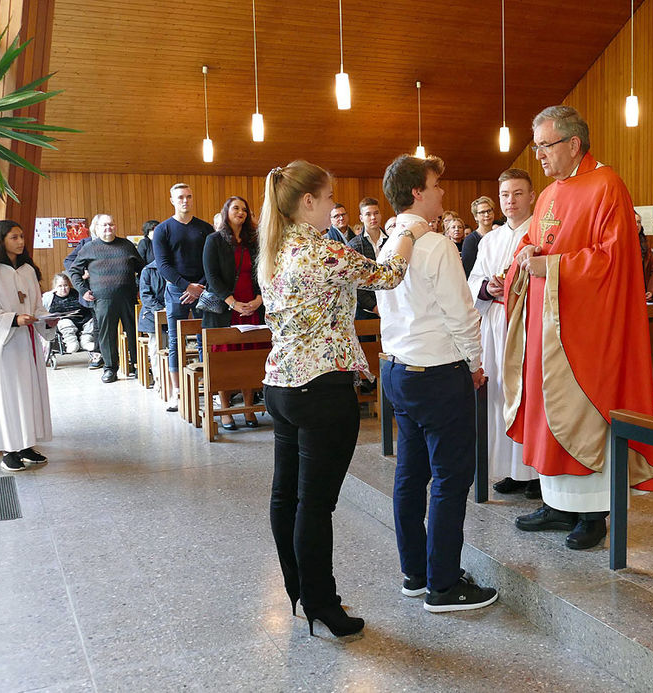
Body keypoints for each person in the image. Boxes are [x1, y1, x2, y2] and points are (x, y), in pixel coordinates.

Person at [259, 159, 423, 638]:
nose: (334, 206)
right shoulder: (321, 253)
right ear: (308, 202)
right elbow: (390, 274)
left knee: (285, 495)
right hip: (321, 387)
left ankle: (299, 592)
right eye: (329, 198)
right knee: (315, 504)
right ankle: (323, 604)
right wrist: (408, 232)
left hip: (281, 384)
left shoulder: (273, 247)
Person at [505, 105, 653, 550]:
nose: (539, 154)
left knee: (580, 412)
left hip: (586, 330)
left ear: (574, 144)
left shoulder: (607, 185)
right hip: (547, 323)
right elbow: (537, 237)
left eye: (545, 145)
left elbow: (612, 261)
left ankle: (593, 514)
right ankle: (557, 504)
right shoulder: (551, 192)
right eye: (535, 146)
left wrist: (549, 266)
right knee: (546, 409)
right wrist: (527, 250)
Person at [378, 153, 498, 613]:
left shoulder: (391, 244)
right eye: (435, 185)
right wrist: (475, 363)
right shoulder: (435, 246)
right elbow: (462, 314)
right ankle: (444, 586)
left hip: (399, 370)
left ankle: (417, 573)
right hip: (438, 373)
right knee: (450, 478)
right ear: (416, 192)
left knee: (410, 475)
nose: (442, 193)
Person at [467, 168, 539, 499]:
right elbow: (474, 280)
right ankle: (511, 470)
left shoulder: (539, 234)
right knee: (499, 394)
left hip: (525, 323)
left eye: (518, 193)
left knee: (526, 393)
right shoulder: (490, 239)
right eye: (505, 195)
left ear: (532, 196)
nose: (511, 201)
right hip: (495, 321)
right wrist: (487, 286)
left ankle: (534, 471)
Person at [0, 220, 57, 472]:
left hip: (27, 343)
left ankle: (26, 445)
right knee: (8, 395)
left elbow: (36, 306)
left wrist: (48, 320)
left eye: (22, 236)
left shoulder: (28, 270)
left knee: (28, 393)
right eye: (14, 237)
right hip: (3, 344)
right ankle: (9, 449)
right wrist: (14, 319)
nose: (20, 241)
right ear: (0, 240)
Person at [202, 196, 263, 429]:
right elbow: (212, 277)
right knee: (224, 359)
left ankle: (248, 410)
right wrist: (232, 302)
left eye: (245, 210)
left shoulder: (252, 242)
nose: (241, 212)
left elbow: (261, 273)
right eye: (236, 208)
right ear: (226, 211)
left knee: (250, 357)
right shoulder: (214, 240)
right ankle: (226, 410)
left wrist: (258, 299)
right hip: (225, 310)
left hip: (251, 306)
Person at [152, 183, 214, 411]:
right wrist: (187, 286)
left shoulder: (205, 229)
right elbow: (163, 265)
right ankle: (176, 392)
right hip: (177, 289)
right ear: (172, 200)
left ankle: (207, 386)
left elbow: (211, 262)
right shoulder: (163, 230)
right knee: (175, 341)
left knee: (203, 338)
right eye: (180, 197)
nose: (185, 201)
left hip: (203, 288)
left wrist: (200, 286)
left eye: (188, 196)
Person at [69, 214, 144, 383]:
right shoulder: (89, 248)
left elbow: (142, 269)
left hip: (128, 298)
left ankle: (138, 366)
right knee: (107, 335)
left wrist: (138, 287)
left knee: (133, 332)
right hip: (102, 300)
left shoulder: (127, 245)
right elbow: (74, 271)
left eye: (111, 224)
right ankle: (110, 368)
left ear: (115, 226)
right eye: (104, 225)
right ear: (97, 228)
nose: (108, 228)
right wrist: (83, 290)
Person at [63, 227, 103, 370]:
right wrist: (82, 272)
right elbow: (68, 261)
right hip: (91, 290)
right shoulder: (85, 243)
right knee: (98, 324)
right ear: (95, 228)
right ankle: (99, 354)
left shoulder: (114, 243)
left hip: (109, 289)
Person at [348, 197, 389, 319]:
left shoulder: (391, 242)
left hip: (390, 305)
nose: (373, 217)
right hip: (366, 310)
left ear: (381, 215)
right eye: (368, 214)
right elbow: (355, 281)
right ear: (361, 218)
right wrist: (374, 307)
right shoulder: (354, 245)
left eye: (376, 213)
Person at [42, 273, 95, 354]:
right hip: (64, 322)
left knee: (93, 321)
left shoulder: (77, 293)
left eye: (65, 285)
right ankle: (71, 342)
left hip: (83, 319)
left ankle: (86, 341)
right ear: (55, 287)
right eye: (60, 286)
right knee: (65, 323)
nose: (63, 289)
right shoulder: (48, 297)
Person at [138, 253, 166, 387]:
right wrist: (161, 309)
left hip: (173, 312)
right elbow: (145, 295)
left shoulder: (176, 268)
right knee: (156, 346)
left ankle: (174, 380)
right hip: (151, 315)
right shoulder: (148, 271)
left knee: (176, 346)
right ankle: (159, 380)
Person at [461, 195, 495, 277]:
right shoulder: (470, 240)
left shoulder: (498, 235)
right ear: (475, 217)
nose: (487, 215)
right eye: (482, 212)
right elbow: (468, 270)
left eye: (489, 211)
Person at [636, 212, 653, 301]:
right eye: (634, 222)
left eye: (639, 222)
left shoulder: (645, 244)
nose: (637, 225)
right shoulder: (620, 244)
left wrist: (651, 290)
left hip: (644, 292)